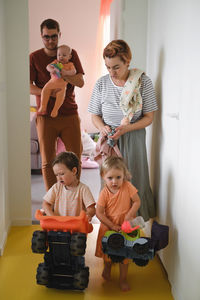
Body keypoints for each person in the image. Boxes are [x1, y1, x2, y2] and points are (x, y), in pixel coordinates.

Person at [88, 39, 158, 222]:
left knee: (135, 181)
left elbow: (149, 118)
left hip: (133, 137)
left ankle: (137, 228)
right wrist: (102, 127)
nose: (112, 72)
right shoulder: (102, 83)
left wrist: (127, 128)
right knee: (110, 183)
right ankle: (110, 226)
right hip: (109, 139)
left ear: (128, 61)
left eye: (116, 67)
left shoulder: (143, 82)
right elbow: (94, 115)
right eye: (108, 67)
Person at [30, 19, 84, 191]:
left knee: (75, 158)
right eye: (47, 37)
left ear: (59, 35)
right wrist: (47, 91)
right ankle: (52, 200)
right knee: (47, 162)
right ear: (41, 36)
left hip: (69, 114)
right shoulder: (34, 57)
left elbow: (80, 81)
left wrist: (63, 76)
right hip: (45, 117)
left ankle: (74, 197)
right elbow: (28, 85)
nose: (51, 41)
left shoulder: (70, 53)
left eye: (54, 36)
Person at [95, 156, 141, 291]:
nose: (114, 181)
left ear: (124, 176)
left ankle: (123, 279)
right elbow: (99, 213)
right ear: (103, 176)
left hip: (124, 225)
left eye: (118, 177)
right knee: (108, 253)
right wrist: (111, 225)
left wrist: (130, 213)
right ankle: (107, 269)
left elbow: (137, 201)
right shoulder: (104, 193)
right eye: (110, 178)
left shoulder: (128, 187)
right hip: (108, 226)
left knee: (125, 254)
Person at [42, 151, 96, 221]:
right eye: (56, 175)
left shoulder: (83, 189)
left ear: (74, 171)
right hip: (59, 225)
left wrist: (88, 215)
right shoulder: (56, 187)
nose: (59, 178)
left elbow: (91, 209)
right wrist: (53, 217)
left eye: (61, 174)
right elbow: (46, 204)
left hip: (76, 226)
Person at [38, 44, 76, 118]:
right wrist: (52, 70)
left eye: (64, 55)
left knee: (60, 97)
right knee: (45, 90)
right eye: (59, 55)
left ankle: (55, 110)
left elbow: (74, 71)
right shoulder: (56, 63)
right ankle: (43, 106)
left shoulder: (70, 64)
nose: (61, 57)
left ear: (69, 57)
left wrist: (66, 72)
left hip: (62, 86)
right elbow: (48, 66)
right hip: (52, 83)